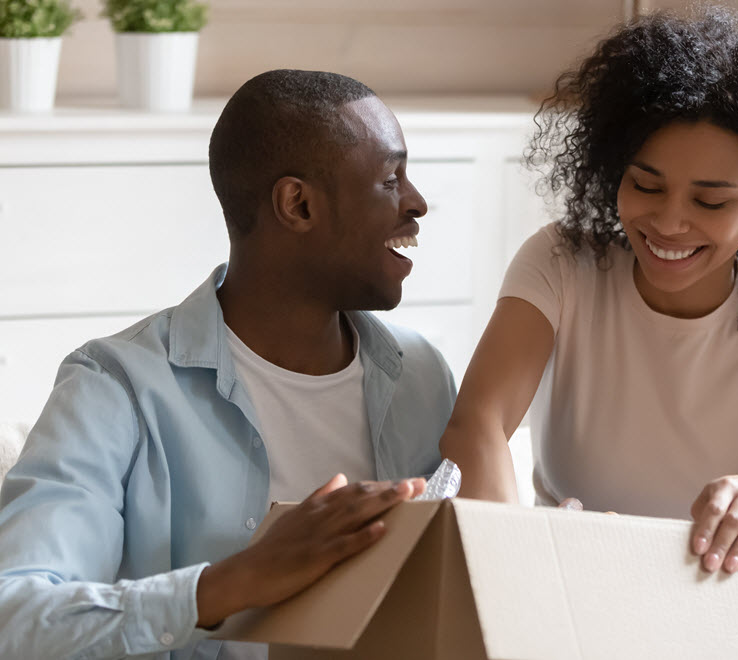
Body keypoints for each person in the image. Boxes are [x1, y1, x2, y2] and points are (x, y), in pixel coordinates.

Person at [439, 7, 738, 658]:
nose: (669, 223)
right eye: (645, 185)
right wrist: (518, 572)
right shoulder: (563, 263)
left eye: (710, 201)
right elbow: (476, 427)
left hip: (728, 614)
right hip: (569, 598)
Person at [0, 70, 456, 659]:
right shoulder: (116, 388)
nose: (417, 202)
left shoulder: (422, 375)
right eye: (390, 179)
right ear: (298, 204)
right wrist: (236, 582)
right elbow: (14, 616)